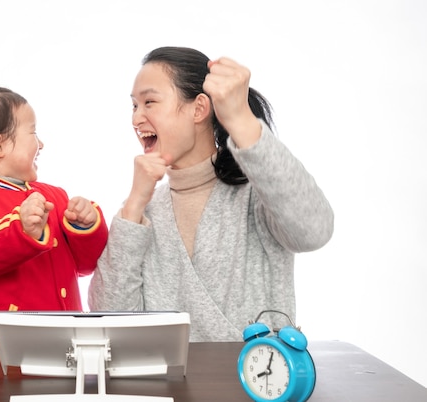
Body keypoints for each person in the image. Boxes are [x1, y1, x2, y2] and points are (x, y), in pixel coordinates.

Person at [88, 47, 334, 342]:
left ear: (199, 109)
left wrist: (240, 118)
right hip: (164, 388)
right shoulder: (143, 213)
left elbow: (315, 231)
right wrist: (134, 204)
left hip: (256, 384)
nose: (136, 118)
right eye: (134, 106)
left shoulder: (258, 196)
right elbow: (108, 323)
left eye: (149, 102)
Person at [0, 68, 108, 346]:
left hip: (63, 348)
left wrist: (84, 226)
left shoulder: (55, 196)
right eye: (33, 132)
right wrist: (20, 228)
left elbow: (87, 265)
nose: (41, 143)